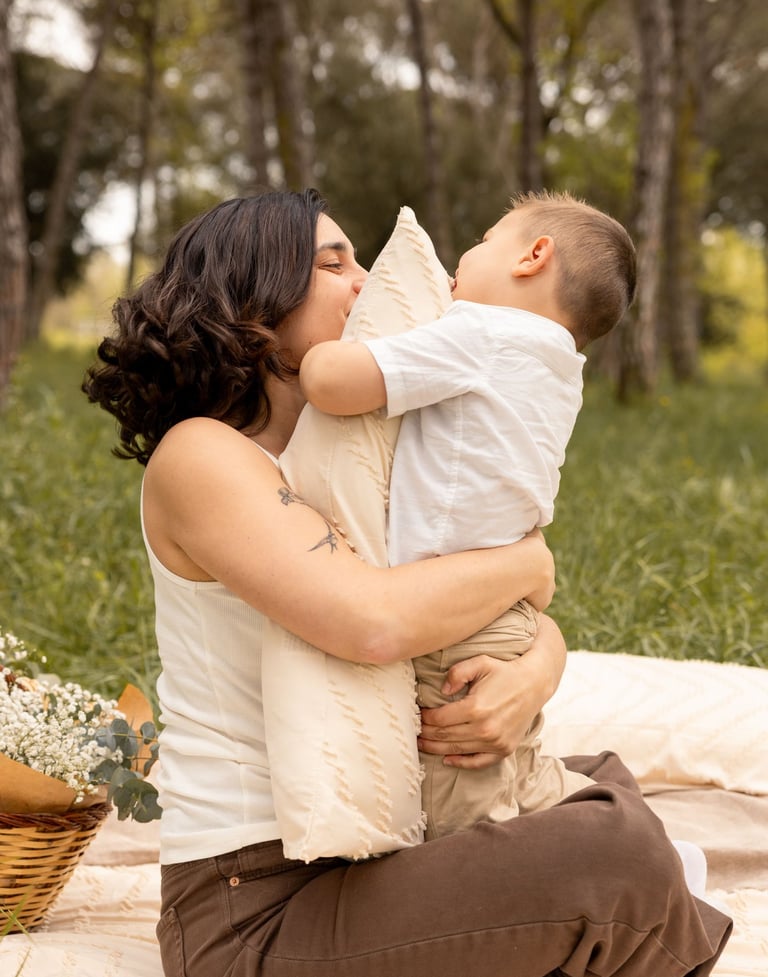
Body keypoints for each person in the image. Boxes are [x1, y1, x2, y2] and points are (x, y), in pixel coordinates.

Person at [82, 188, 731, 977]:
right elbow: (375, 622)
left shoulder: (369, 463)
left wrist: (535, 670)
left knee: (597, 781)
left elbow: (469, 606)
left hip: (379, 846)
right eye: (334, 262)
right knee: (611, 846)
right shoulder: (203, 456)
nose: (365, 280)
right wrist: (531, 563)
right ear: (253, 297)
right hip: (254, 906)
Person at [298, 190, 631, 840]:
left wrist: (321, 356)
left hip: (452, 624)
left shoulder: (482, 333)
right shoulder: (560, 363)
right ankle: (616, 851)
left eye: (483, 239)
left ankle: (535, 894)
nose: (462, 259)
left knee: (463, 809)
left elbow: (337, 385)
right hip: (501, 614)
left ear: (534, 256)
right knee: (521, 773)